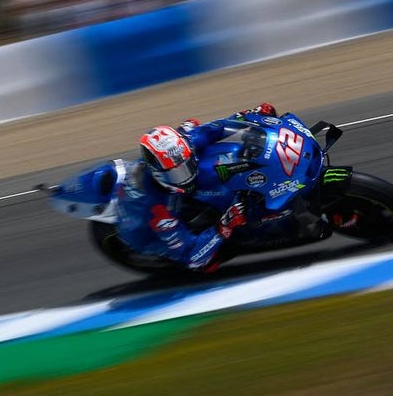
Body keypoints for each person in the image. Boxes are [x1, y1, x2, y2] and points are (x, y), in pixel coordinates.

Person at [113, 103, 281, 272]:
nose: (186, 176)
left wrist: (250, 115)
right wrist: (224, 226)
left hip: (174, 191)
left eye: (187, 165)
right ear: (158, 174)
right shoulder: (159, 213)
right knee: (207, 264)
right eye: (177, 174)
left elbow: (220, 126)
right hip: (151, 232)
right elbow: (192, 257)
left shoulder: (187, 141)